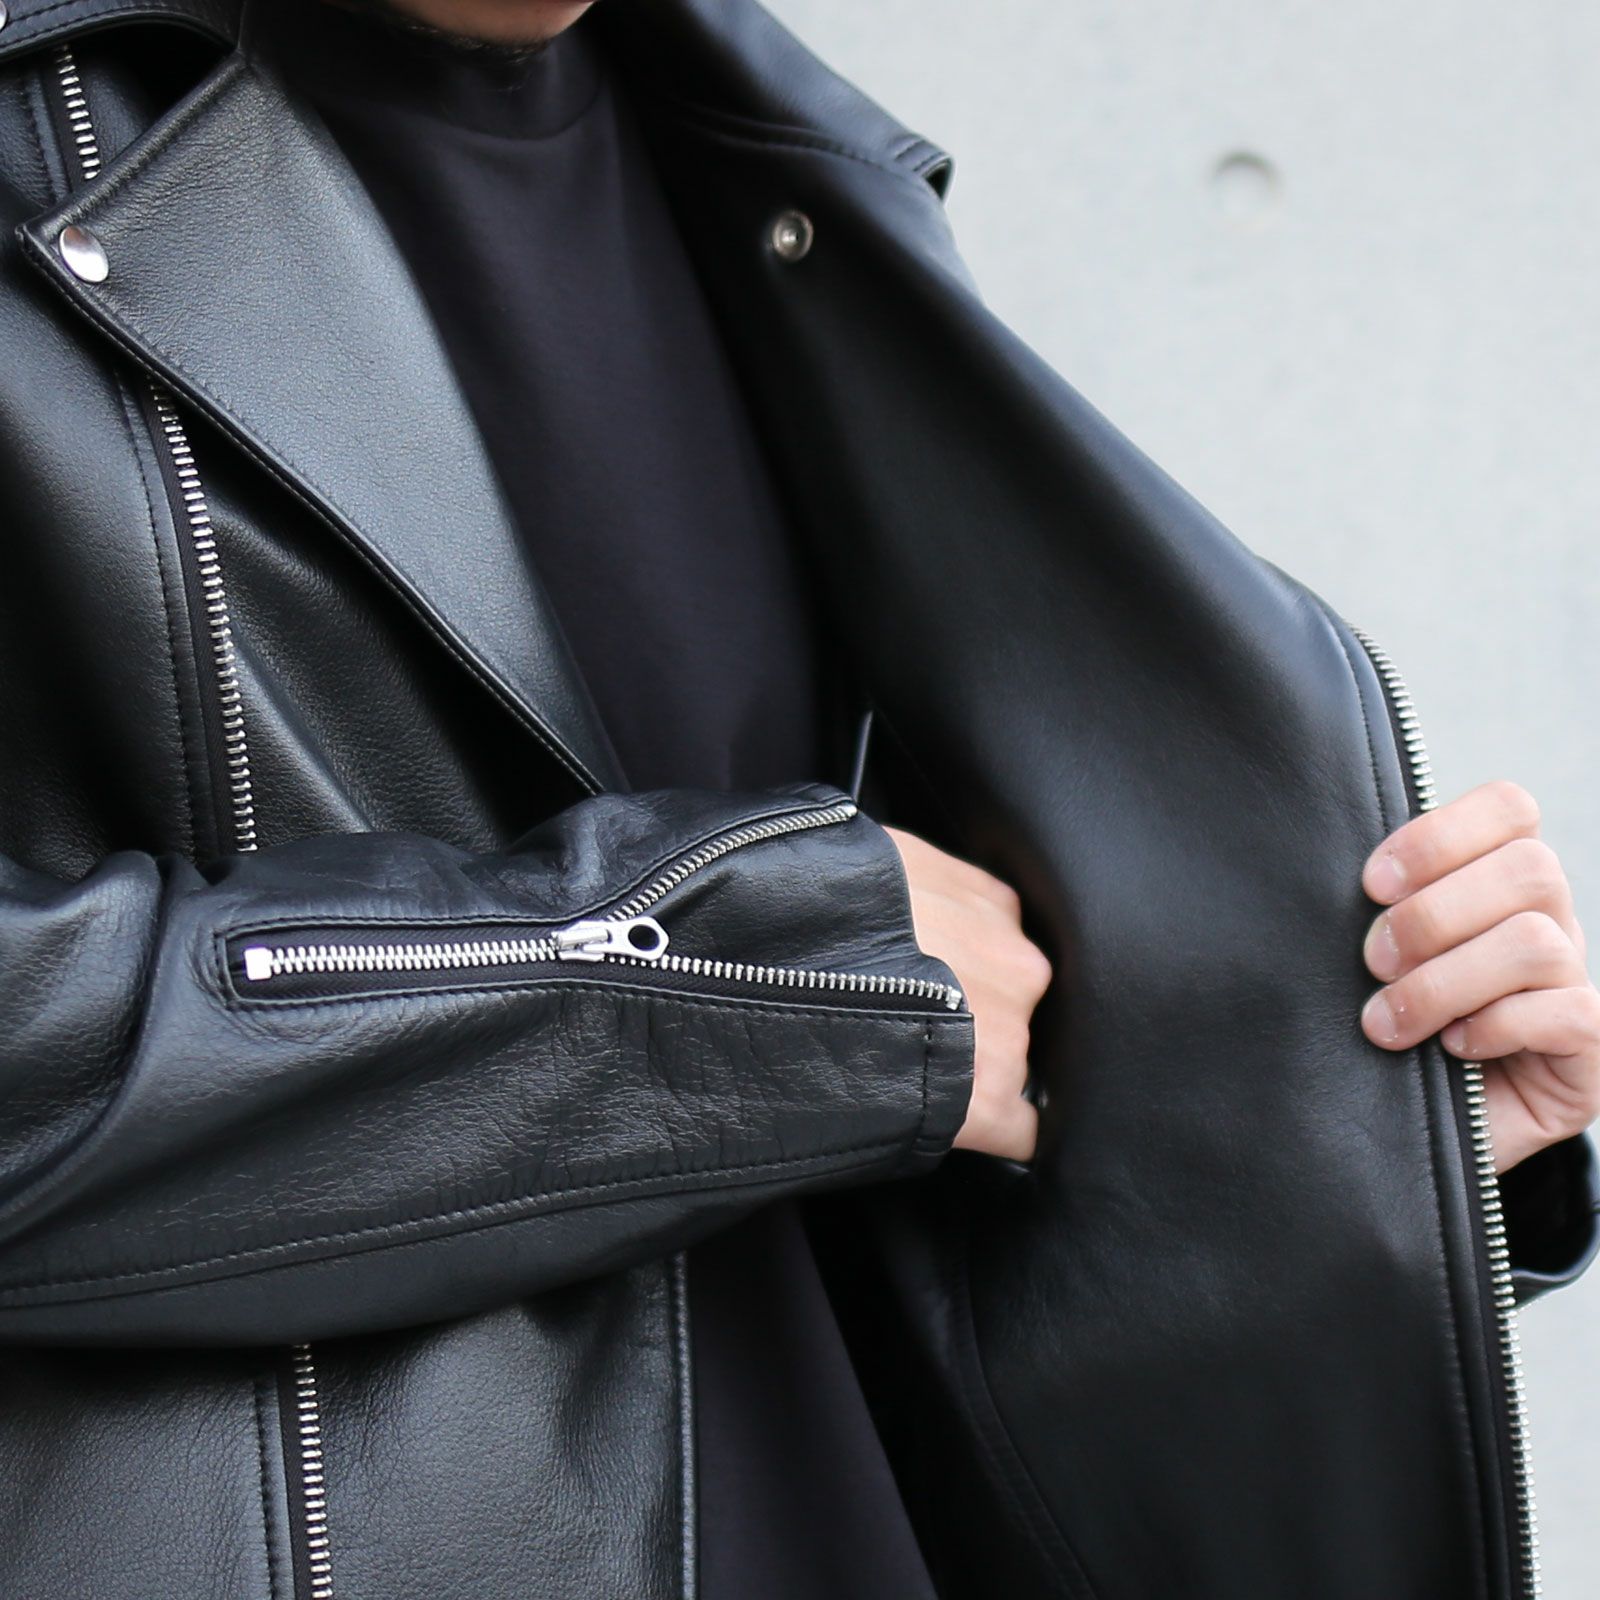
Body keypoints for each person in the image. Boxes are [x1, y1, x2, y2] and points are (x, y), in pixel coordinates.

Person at [0, 0, 1593, 1594]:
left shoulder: (775, 169)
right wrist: (751, 986)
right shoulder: (50, 145)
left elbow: (923, 1122)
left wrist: (1365, 1143)